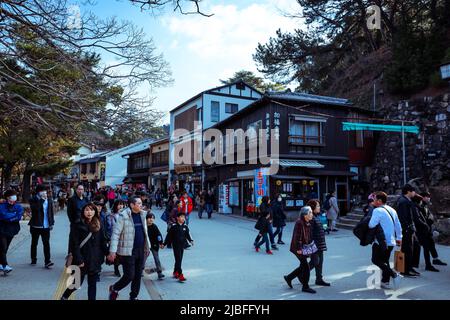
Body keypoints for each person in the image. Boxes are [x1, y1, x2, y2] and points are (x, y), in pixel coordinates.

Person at [60, 203, 108, 300]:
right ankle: (64, 297)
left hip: (94, 259)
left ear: (95, 211)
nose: (89, 212)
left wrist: (108, 254)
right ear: (83, 212)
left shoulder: (99, 224)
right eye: (87, 210)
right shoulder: (77, 225)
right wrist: (79, 260)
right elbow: (75, 244)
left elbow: (103, 241)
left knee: (92, 285)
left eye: (91, 210)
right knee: (76, 283)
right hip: (81, 260)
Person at [107, 196, 151, 300]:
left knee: (137, 276)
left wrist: (147, 247)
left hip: (141, 250)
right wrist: (112, 251)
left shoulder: (143, 215)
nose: (141, 205)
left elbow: (145, 232)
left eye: (141, 203)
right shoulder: (123, 216)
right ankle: (114, 288)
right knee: (129, 276)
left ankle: (133, 297)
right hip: (128, 251)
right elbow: (115, 234)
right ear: (132, 205)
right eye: (139, 203)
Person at [368, 191, 403, 290]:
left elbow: (371, 224)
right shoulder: (392, 210)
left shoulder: (377, 210)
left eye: (374, 199)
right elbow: (398, 225)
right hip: (391, 241)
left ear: (379, 201)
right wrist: (399, 238)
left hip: (380, 241)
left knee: (375, 260)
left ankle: (394, 275)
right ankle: (385, 281)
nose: (373, 201)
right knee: (385, 260)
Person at [284, 206, 318, 294]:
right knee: (306, 267)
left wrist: (312, 246)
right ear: (305, 214)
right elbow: (297, 237)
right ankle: (305, 287)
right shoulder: (299, 223)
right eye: (310, 213)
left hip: (305, 248)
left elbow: (308, 236)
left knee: (303, 266)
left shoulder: (308, 222)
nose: (312, 214)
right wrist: (299, 249)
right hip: (298, 248)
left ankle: (289, 277)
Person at [396, 184, 421, 277]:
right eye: (413, 191)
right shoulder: (403, 201)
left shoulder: (406, 200)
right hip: (406, 229)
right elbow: (403, 217)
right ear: (409, 191)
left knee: (414, 247)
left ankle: (409, 267)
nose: (414, 193)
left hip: (409, 228)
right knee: (407, 249)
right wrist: (407, 228)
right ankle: (405, 270)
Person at [162, 212, 194, 282]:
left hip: (182, 245)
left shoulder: (185, 226)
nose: (183, 218)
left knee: (179, 260)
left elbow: (187, 234)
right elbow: (169, 236)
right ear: (177, 218)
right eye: (181, 217)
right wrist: (164, 244)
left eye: (184, 217)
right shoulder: (173, 226)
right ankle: (180, 274)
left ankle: (175, 271)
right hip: (175, 245)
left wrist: (191, 240)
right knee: (178, 259)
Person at [29, 185, 55, 268]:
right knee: (34, 243)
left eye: (45, 191)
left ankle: (47, 261)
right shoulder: (33, 199)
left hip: (46, 225)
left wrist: (51, 223)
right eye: (42, 191)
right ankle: (33, 259)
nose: (44, 193)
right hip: (36, 225)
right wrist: (42, 200)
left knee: (46, 243)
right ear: (38, 192)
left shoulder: (49, 199)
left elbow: (51, 211)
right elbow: (35, 209)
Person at [419, 192, 447, 268]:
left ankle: (435, 259)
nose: (429, 198)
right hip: (423, 229)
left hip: (428, 228)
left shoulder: (425, 205)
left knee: (431, 244)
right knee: (426, 247)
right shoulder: (420, 205)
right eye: (427, 197)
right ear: (423, 197)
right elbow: (422, 218)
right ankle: (428, 264)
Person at [307, 199, 330, 286]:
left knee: (320, 262)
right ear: (313, 208)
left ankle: (319, 279)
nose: (319, 207)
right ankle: (299, 274)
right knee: (315, 262)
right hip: (314, 244)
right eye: (318, 206)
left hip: (320, 243)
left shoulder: (316, 216)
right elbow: (309, 232)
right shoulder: (311, 217)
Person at [0, 190, 24, 274]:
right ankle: (5, 265)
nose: (14, 198)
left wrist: (10, 218)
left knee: (5, 248)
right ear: (7, 197)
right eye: (11, 196)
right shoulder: (2, 205)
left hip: (12, 229)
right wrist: (13, 216)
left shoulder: (18, 206)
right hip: (2, 229)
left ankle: (1, 264)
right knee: (3, 247)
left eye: (14, 196)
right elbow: (3, 215)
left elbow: (19, 216)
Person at [108, 199, 126, 277]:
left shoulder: (126, 214)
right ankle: (116, 269)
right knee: (117, 255)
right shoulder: (112, 216)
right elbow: (111, 228)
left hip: (124, 238)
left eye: (122, 204)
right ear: (115, 206)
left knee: (124, 255)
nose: (121, 206)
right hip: (116, 238)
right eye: (119, 204)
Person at [146, 213, 165, 280]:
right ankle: (140, 271)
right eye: (149, 218)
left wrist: (161, 243)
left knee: (156, 258)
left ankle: (159, 272)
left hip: (154, 245)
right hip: (146, 245)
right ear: (146, 219)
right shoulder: (144, 226)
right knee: (143, 258)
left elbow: (158, 235)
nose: (151, 219)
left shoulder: (154, 226)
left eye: (153, 218)